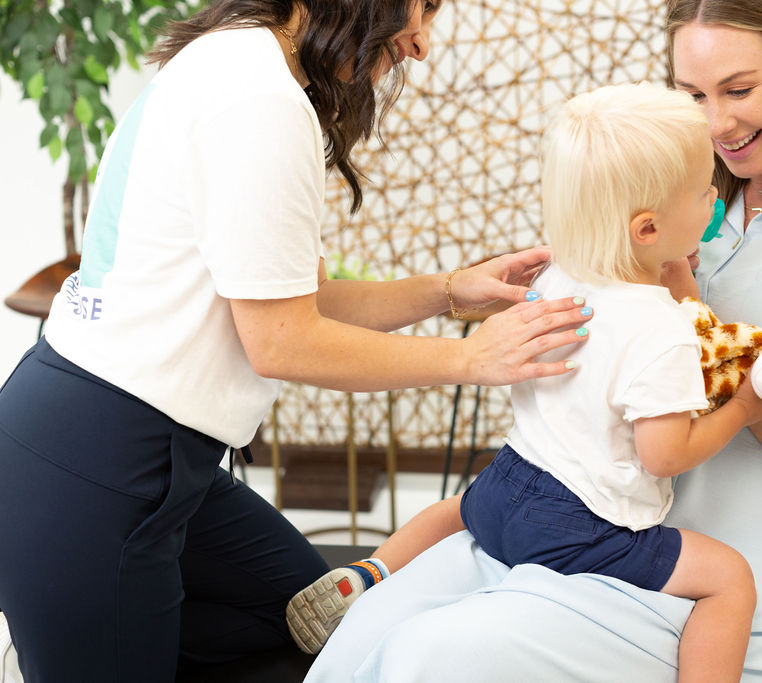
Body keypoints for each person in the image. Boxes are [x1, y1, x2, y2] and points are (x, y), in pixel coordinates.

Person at [304, 0, 762, 681]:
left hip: (710, 593)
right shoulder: (667, 185)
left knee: (424, 657)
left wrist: (719, 349)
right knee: (363, 640)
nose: (718, 123)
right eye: (693, 94)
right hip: (582, 526)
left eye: (739, 89)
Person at [0, 0, 595, 680]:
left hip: (127, 451)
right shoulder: (260, 98)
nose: (423, 42)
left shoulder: (238, 60)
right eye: (423, 6)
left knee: (313, 620)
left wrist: (449, 291)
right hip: (98, 463)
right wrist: (469, 357)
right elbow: (282, 340)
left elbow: (290, 299)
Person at [288, 82, 762, 682]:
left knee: (454, 511)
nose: (715, 198)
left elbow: (662, 308)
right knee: (731, 579)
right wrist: (744, 409)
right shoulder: (662, 331)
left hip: (505, 489)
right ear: (647, 229)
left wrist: (673, 268)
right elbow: (663, 454)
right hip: (580, 528)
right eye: (705, 191)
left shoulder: (559, 276)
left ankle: (371, 574)